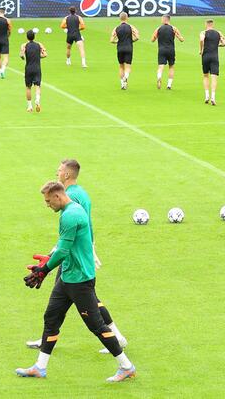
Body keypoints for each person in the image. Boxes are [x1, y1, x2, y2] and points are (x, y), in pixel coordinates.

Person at [16, 182, 136, 382]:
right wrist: (47, 260)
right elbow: (65, 247)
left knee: (97, 325)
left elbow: (62, 251)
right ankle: (40, 367)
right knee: (51, 318)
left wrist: (44, 270)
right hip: (67, 278)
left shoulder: (70, 216)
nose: (47, 205)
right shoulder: (70, 211)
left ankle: (126, 366)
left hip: (80, 281)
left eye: (47, 201)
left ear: (57, 196)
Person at [26, 160, 129, 355]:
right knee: (81, 298)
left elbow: (72, 231)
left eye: (59, 171)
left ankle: (117, 343)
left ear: (66, 175)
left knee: (72, 298)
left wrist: (51, 257)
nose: (57, 173)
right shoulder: (82, 193)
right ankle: (117, 336)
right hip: (80, 251)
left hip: (75, 256)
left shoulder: (70, 197)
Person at [152, 14, 184, 90]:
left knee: (161, 66)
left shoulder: (158, 28)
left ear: (164, 19)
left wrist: (157, 37)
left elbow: (152, 39)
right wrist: (178, 36)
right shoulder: (174, 28)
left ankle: (159, 77)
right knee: (171, 67)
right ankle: (169, 85)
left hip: (162, 50)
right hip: (171, 50)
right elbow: (182, 40)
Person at [199, 19, 225, 104]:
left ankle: (207, 95)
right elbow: (224, 43)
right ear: (212, 25)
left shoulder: (203, 32)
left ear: (206, 24)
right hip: (215, 57)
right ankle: (213, 97)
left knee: (205, 76)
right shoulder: (218, 33)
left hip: (205, 56)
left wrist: (201, 50)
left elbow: (201, 40)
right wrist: (216, 45)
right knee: (214, 77)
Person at [19, 30, 47, 113]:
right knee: (37, 86)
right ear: (34, 36)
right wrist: (38, 57)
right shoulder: (39, 45)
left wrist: (23, 57)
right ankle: (37, 100)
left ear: (27, 37)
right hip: (37, 68)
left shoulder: (24, 45)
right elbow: (45, 54)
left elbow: (21, 55)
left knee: (28, 87)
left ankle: (29, 106)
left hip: (28, 68)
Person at [109, 12, 139, 90]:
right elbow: (137, 37)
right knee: (128, 66)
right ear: (127, 18)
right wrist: (131, 41)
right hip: (129, 48)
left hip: (120, 48)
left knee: (121, 66)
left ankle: (122, 84)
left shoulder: (116, 28)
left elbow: (111, 40)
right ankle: (126, 77)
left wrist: (117, 42)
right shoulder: (131, 27)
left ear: (120, 18)